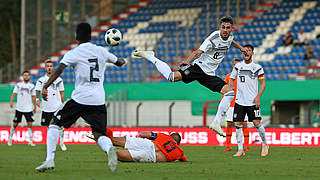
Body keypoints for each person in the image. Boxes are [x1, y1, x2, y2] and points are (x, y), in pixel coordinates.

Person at [132, 16, 248, 137]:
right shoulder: (213, 38)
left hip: (209, 74)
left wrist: (241, 49)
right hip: (198, 68)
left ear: (231, 29)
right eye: (223, 27)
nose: (225, 30)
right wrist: (188, 61)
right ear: (219, 27)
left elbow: (231, 42)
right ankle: (151, 56)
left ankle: (216, 123)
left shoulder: (230, 37)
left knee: (230, 92)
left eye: (227, 28)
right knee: (172, 77)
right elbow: (198, 52)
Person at [35, 22, 126, 172]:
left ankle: (49, 160)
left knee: (54, 123)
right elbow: (119, 62)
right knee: (99, 134)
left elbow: (58, 70)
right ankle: (109, 148)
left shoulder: (73, 53)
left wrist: (45, 86)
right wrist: (123, 60)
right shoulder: (101, 51)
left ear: (77, 36)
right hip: (98, 100)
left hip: (80, 98)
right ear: (91, 35)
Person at [229, 44, 268, 157]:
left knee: (256, 123)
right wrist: (231, 89)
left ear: (252, 53)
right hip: (239, 101)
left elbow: (263, 84)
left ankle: (265, 144)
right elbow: (231, 79)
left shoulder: (257, 67)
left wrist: (258, 97)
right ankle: (240, 150)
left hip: (252, 101)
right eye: (245, 51)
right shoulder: (238, 66)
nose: (246, 52)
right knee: (238, 124)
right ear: (242, 53)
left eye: (249, 50)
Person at [35, 60, 67, 151]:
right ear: (45, 68)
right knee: (48, 126)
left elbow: (62, 93)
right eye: (47, 66)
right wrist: (37, 100)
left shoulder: (59, 79)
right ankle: (52, 143)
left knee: (60, 125)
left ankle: (61, 142)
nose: (49, 68)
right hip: (46, 107)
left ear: (53, 68)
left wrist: (64, 104)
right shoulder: (41, 80)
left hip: (57, 106)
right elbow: (37, 91)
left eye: (51, 66)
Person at [224, 58, 250, 152]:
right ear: (232, 65)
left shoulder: (246, 76)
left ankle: (246, 145)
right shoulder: (228, 77)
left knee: (244, 124)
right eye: (234, 64)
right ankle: (228, 145)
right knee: (229, 124)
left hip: (242, 104)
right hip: (231, 104)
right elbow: (224, 91)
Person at [112, 131, 187, 162]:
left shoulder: (164, 136)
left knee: (122, 140)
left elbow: (142, 134)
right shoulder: (180, 152)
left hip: (149, 144)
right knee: (116, 153)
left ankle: (103, 140)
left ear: (170, 136)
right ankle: (108, 150)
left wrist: (139, 141)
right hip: (152, 156)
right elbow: (184, 160)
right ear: (178, 144)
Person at [8, 71, 36, 146]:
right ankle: (10, 139)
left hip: (28, 108)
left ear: (29, 77)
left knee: (30, 124)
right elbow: (14, 93)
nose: (26, 76)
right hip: (19, 107)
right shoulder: (18, 85)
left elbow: (33, 96)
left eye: (27, 75)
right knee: (15, 124)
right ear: (23, 76)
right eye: (25, 75)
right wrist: (11, 101)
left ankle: (30, 141)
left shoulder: (32, 86)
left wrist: (35, 107)